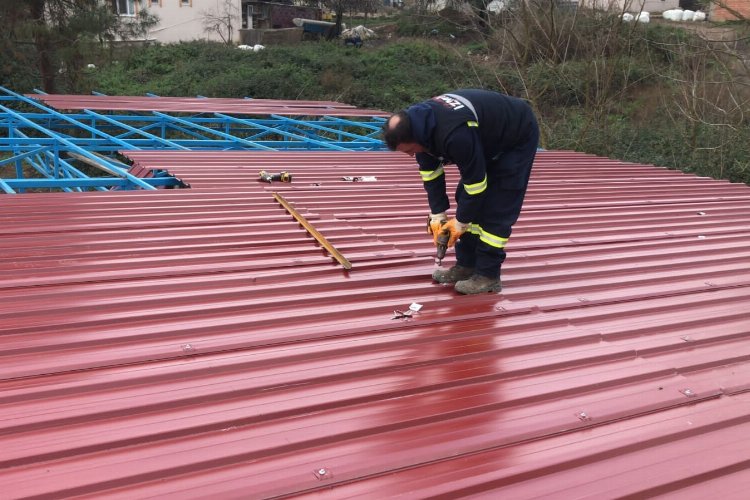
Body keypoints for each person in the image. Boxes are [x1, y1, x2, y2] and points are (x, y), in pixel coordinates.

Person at [382, 89, 539, 294]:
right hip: (485, 138)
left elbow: (475, 185)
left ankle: (488, 276)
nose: (411, 155)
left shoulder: (454, 132)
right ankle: (467, 266)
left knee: (496, 206)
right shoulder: (420, 128)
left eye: (410, 150)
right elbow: (430, 174)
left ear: (416, 138)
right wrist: (438, 213)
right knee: (466, 200)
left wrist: (460, 222)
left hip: (515, 137)